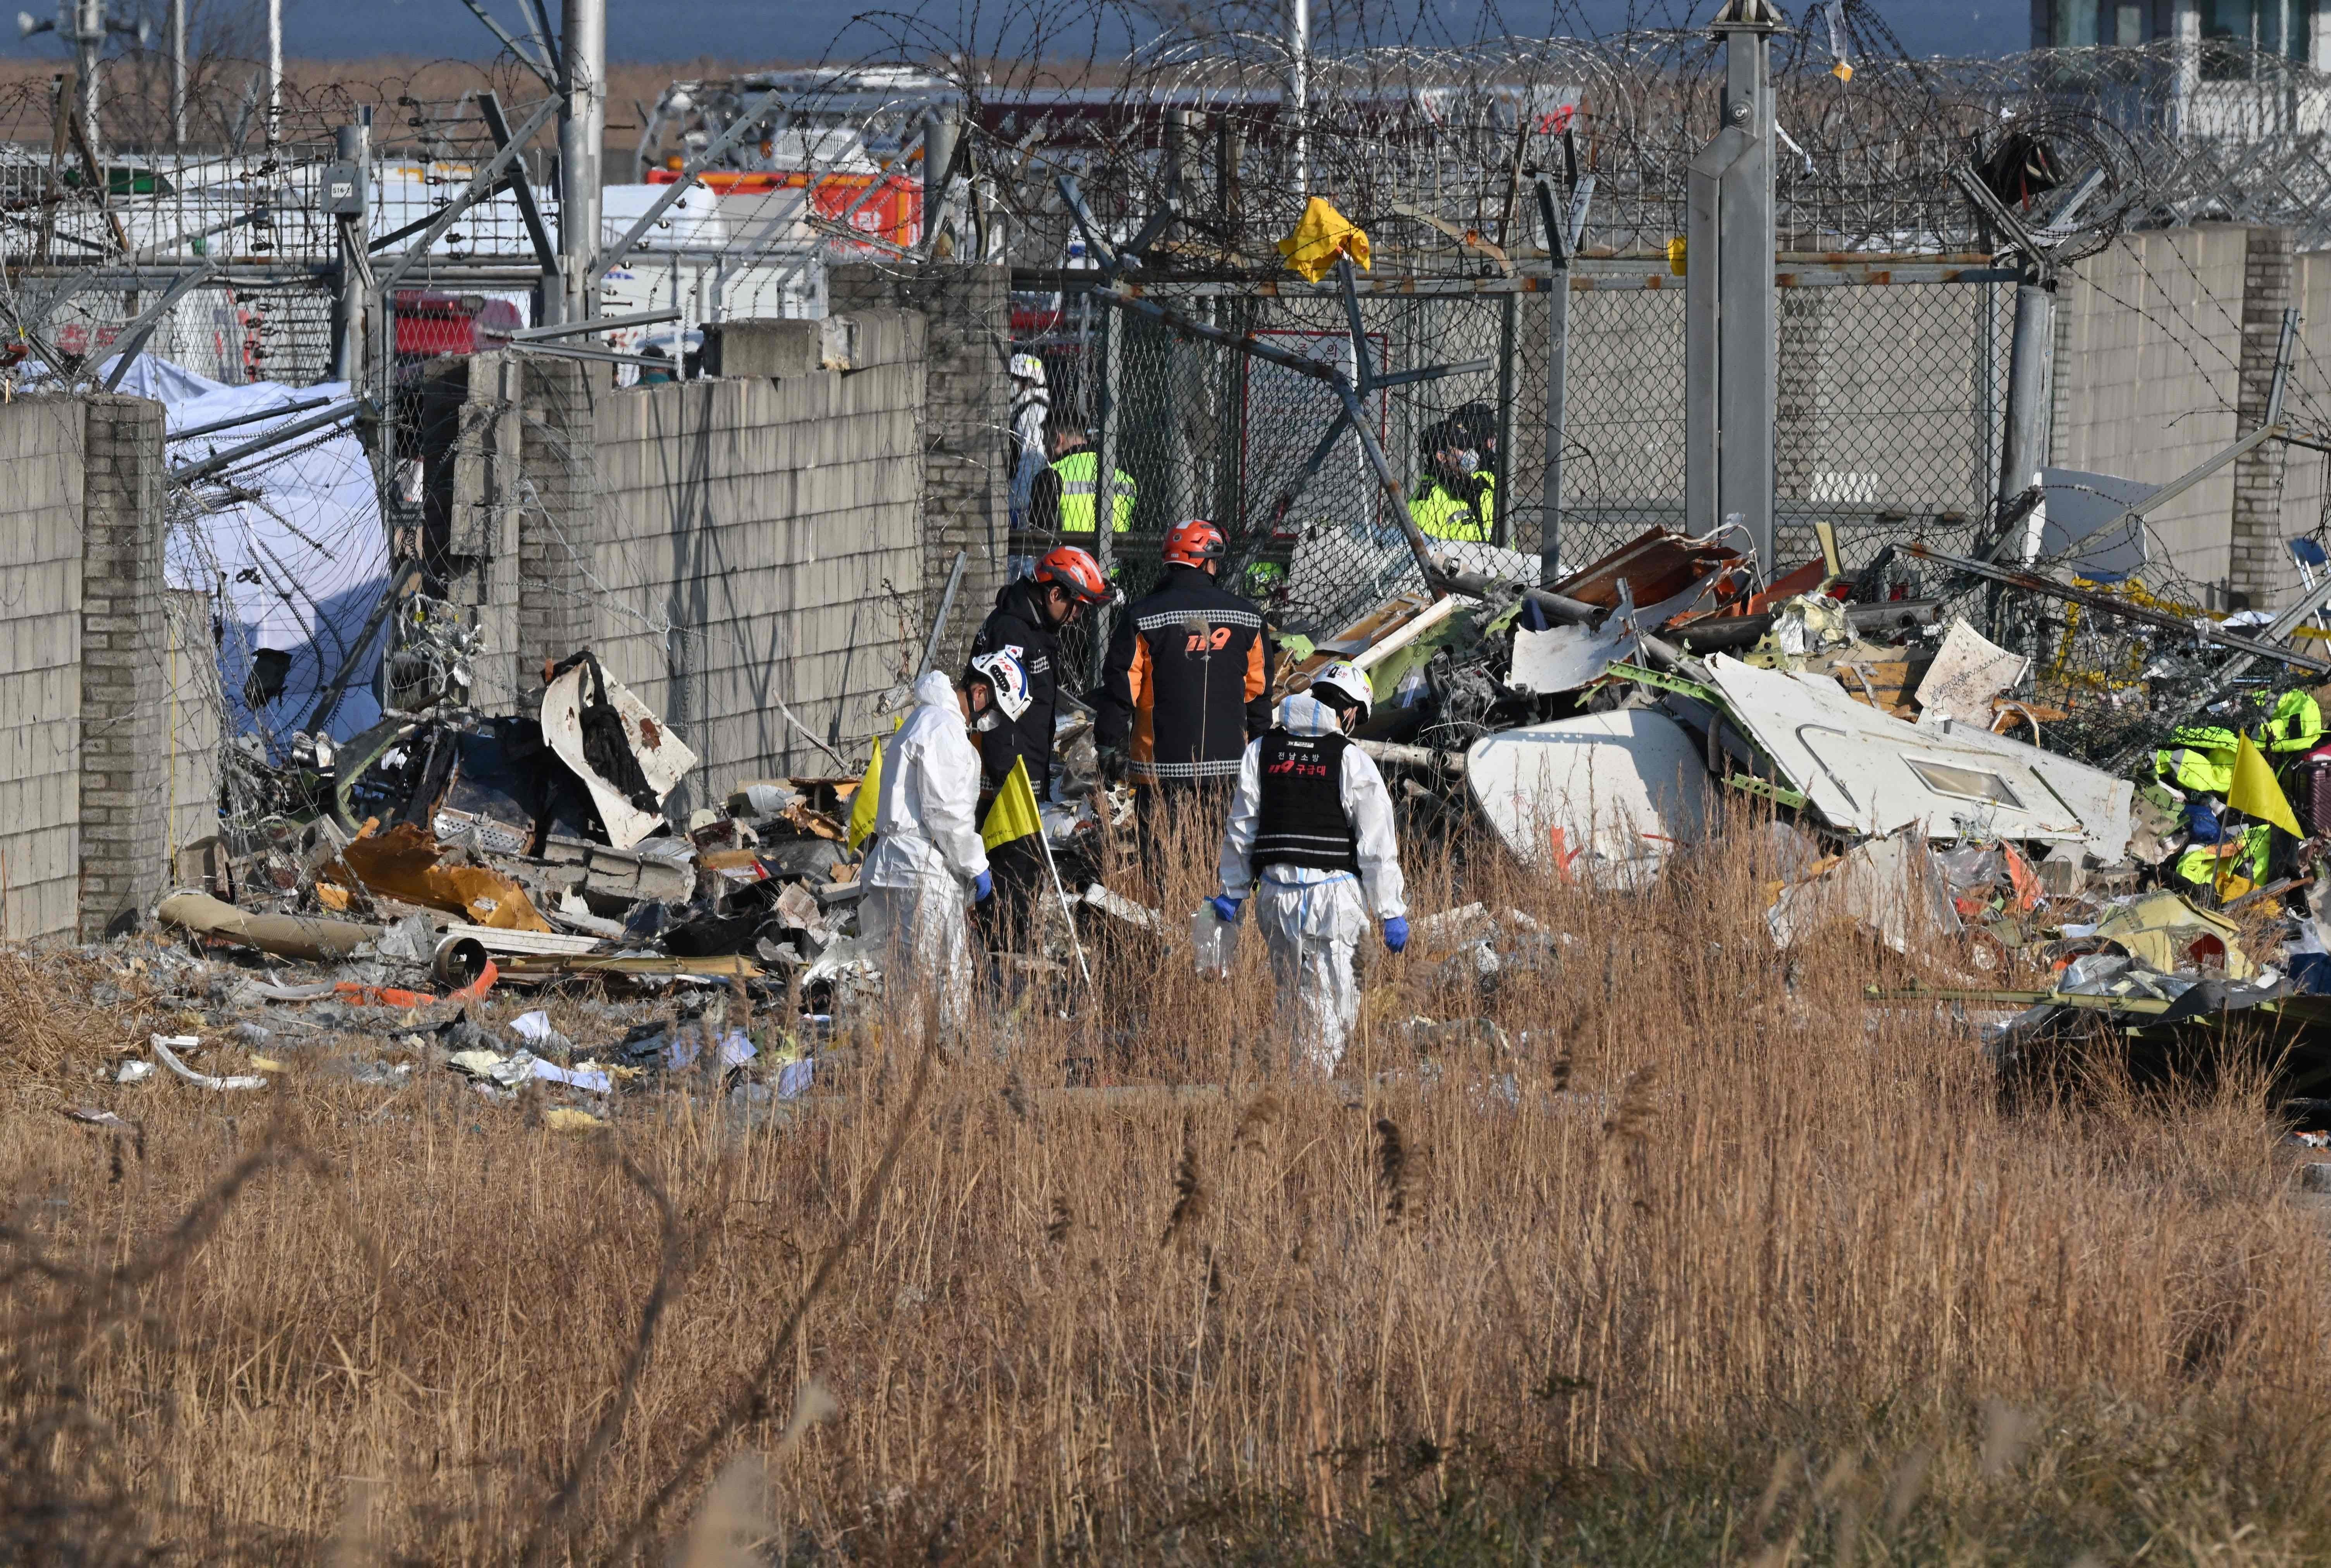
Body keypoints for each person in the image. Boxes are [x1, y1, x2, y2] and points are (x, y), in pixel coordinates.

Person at [1210, 661, 1408, 1075]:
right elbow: (1376, 844)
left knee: (1294, 999)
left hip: (1275, 899)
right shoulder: (1351, 759)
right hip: (1332, 898)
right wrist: (1390, 910)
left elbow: (1241, 828)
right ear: (1350, 711)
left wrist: (1232, 892)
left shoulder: (1261, 750)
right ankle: (1312, 1097)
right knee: (1334, 1008)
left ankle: (1291, 1086)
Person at [1093, 519, 1272, 855]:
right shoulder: (1249, 618)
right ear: (1208, 562)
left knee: (1163, 869)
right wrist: (1261, 756)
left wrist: (1106, 745)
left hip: (1159, 773)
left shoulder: (1141, 616)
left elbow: (1121, 690)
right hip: (1228, 772)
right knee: (1220, 866)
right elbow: (1258, 695)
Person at [967, 544, 1116, 940]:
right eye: (1078, 606)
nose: (1078, 616)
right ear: (1055, 594)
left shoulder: (1033, 629)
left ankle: (1008, 941)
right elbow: (993, 710)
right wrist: (1009, 781)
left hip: (1023, 775)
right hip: (1008, 780)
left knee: (1024, 872)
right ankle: (1003, 953)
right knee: (1014, 874)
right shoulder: (1012, 633)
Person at [860, 669, 992, 1032]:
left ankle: (907, 1069)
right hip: (921, 870)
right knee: (940, 976)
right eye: (992, 709)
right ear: (979, 693)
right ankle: (938, 1069)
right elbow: (946, 813)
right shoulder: (944, 728)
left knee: (906, 980)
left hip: (895, 865)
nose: (988, 721)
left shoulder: (923, 719)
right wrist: (975, 864)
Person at [1027, 421, 1137, 538]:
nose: (1046, 450)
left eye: (1046, 443)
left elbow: (1042, 539)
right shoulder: (1126, 479)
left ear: (1059, 440)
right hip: (1116, 555)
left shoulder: (1051, 477)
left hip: (1068, 555)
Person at [1408, 413, 1495, 542]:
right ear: (1442, 457)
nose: (1469, 453)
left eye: (1468, 447)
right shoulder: (1428, 500)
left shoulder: (1487, 480)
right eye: (1461, 448)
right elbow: (1431, 555)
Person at [1008, 353, 1050, 530]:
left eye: (1013, 379)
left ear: (1028, 383)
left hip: (1024, 505)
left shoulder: (1031, 413)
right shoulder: (1030, 408)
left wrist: (1014, 504)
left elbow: (1032, 461)